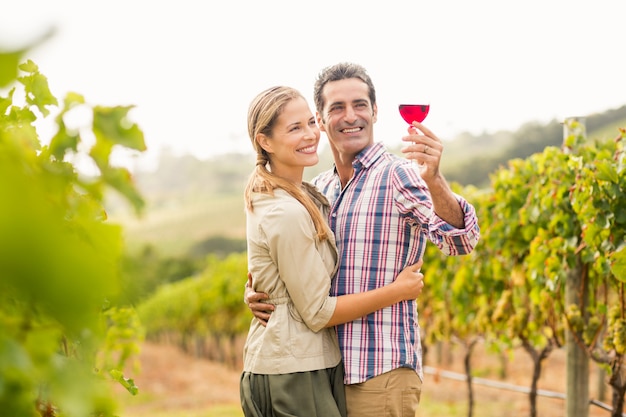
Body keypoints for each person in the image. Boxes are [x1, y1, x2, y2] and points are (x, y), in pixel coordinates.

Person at [246, 63, 481, 416]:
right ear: (322, 121)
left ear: (375, 112)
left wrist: (434, 180)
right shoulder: (319, 189)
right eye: (336, 108)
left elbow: (461, 241)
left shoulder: (398, 175)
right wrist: (257, 292)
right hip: (325, 370)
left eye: (360, 105)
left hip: (379, 371)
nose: (350, 116)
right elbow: (293, 262)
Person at [240, 85, 425, 417]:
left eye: (310, 123)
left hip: (310, 362)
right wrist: (398, 291)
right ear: (265, 141)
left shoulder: (308, 194)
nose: (310, 134)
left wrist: (261, 291)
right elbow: (319, 312)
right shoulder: (288, 209)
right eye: (295, 128)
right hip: (294, 367)